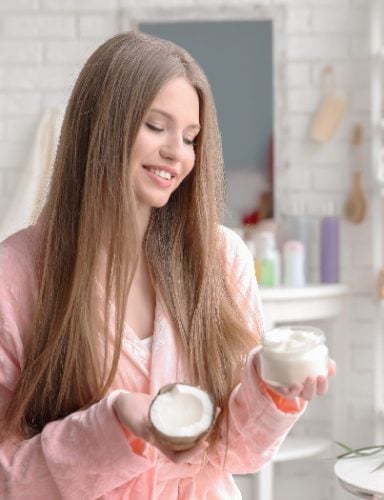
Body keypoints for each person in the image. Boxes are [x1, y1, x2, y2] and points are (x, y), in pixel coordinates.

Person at [0, 31, 335, 499]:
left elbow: (235, 453)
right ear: (102, 126)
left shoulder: (222, 258)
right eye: (156, 127)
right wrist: (114, 426)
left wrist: (271, 389)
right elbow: (8, 477)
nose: (178, 153)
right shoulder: (14, 275)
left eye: (191, 137)